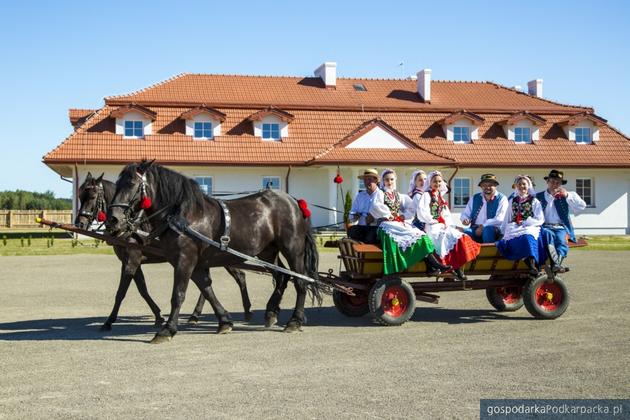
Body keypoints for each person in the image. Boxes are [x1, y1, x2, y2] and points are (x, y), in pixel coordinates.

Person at [369, 169, 449, 275]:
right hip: (385, 225)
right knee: (410, 236)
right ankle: (433, 265)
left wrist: (403, 216)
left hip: (397, 224)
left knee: (420, 235)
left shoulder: (398, 195)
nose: (389, 182)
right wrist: (388, 215)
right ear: (383, 181)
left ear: (395, 180)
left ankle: (433, 264)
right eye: (387, 179)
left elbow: (411, 208)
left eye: (392, 179)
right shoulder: (380, 193)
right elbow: (375, 206)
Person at [416, 170, 481, 280]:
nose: (437, 184)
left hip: (442, 225)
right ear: (430, 183)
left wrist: (449, 225)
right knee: (444, 239)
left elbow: (446, 214)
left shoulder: (440, 196)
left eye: (439, 181)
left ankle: (457, 267)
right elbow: (421, 211)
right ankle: (450, 268)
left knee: (458, 236)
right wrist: (434, 221)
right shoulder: (426, 195)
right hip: (432, 226)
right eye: (435, 181)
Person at [536, 169, 586, 272]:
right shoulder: (538, 196)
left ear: (561, 184)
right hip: (544, 227)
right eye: (552, 181)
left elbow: (582, 206)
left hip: (561, 227)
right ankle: (552, 264)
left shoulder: (568, 195)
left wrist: (567, 195)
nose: (555, 184)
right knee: (548, 236)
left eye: (558, 182)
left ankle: (557, 264)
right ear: (547, 182)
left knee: (561, 240)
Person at [495, 175, 546, 276]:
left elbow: (540, 219)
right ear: (516, 186)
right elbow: (507, 218)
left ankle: (532, 264)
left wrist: (527, 222)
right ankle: (525, 261)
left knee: (527, 237)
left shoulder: (534, 201)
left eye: (524, 184)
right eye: (519, 184)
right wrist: (503, 231)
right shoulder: (512, 201)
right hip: (514, 226)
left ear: (528, 186)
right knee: (510, 239)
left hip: (529, 226)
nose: (522, 186)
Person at [461, 174, 508, 243]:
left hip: (494, 230)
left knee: (487, 230)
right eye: (484, 185)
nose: (487, 187)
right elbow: (466, 213)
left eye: (490, 185)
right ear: (481, 186)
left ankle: (489, 253)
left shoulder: (502, 198)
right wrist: (465, 219)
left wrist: (483, 226)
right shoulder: (475, 198)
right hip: (475, 229)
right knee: (462, 233)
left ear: (495, 186)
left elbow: (500, 219)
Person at [347, 168, 383, 244]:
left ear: (376, 181)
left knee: (370, 236)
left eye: (369, 179)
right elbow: (351, 214)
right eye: (365, 180)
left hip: (376, 227)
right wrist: (354, 216)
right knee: (352, 231)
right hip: (362, 227)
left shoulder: (382, 195)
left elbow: (385, 213)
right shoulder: (360, 196)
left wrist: (374, 217)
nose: (367, 182)